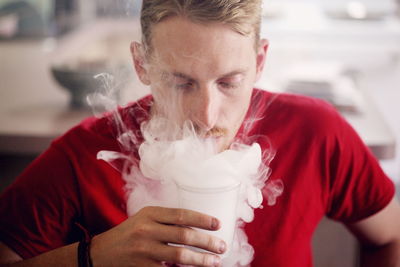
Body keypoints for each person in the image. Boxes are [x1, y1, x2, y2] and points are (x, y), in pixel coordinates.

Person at [1, 0, 400, 266]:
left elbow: (389, 237)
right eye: (180, 82)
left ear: (260, 61)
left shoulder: (315, 132)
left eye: (229, 82)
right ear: (142, 64)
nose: (206, 117)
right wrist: (92, 256)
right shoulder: (84, 154)